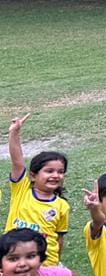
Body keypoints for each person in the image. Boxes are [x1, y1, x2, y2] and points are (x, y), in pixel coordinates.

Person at [6, 114, 69, 267]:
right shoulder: (21, 191)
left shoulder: (62, 206)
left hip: (46, 266)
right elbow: (17, 162)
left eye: (60, 172)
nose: (56, 175)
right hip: (14, 260)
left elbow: (59, 239)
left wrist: (55, 265)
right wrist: (14, 133)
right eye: (49, 171)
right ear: (33, 176)